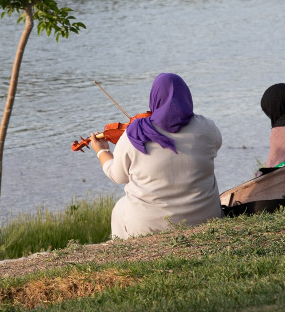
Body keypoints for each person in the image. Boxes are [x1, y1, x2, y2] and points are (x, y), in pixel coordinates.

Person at [88, 73, 223, 239]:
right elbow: (214, 147)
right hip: (206, 219)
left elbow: (118, 176)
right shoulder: (208, 128)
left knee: (120, 207)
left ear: (154, 97)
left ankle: (124, 254)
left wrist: (102, 151)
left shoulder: (135, 135)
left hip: (148, 226)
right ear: (187, 96)